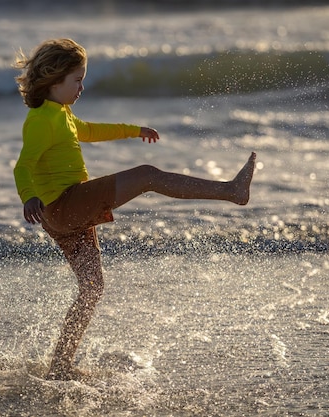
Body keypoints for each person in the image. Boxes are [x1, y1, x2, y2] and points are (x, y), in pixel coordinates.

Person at [13, 38, 256, 381]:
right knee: (147, 176)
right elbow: (22, 166)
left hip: (63, 216)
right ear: (54, 81)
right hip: (66, 204)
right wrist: (28, 196)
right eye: (77, 80)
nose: (82, 86)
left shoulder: (60, 114)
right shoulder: (39, 121)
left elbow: (89, 131)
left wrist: (133, 130)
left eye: (83, 78)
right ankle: (231, 191)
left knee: (92, 288)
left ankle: (60, 365)